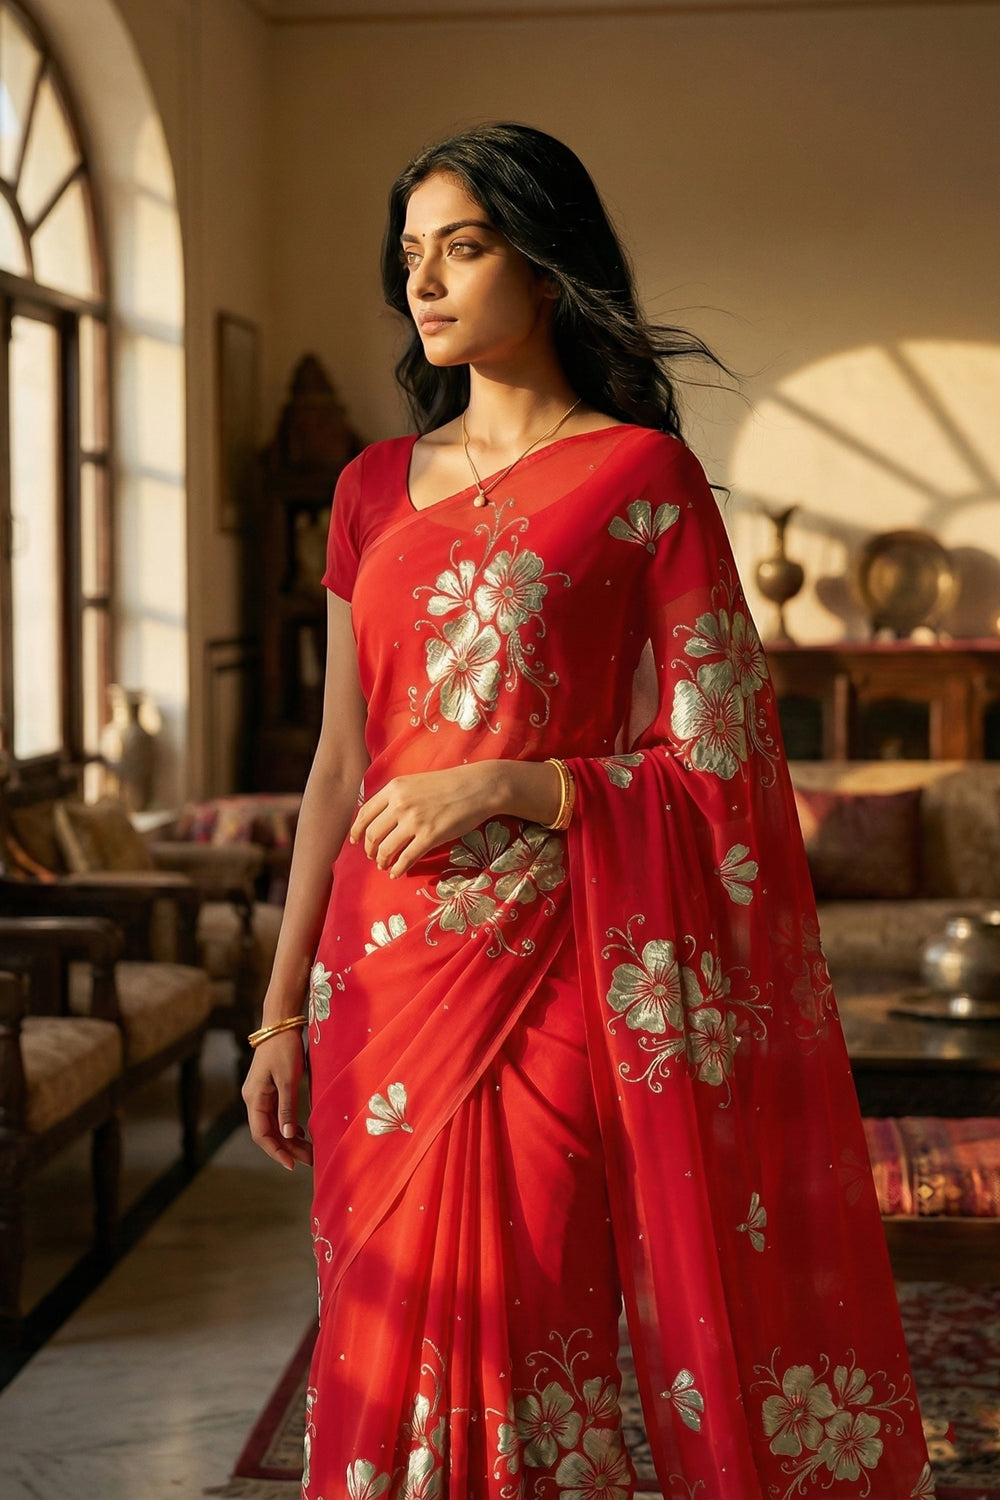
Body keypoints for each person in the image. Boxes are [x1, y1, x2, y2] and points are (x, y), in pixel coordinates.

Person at [242, 123, 932, 1500]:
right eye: (410, 257)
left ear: (544, 266)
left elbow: (726, 765)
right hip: (382, 979)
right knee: (380, 1330)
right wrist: (274, 1015)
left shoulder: (640, 480)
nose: (423, 284)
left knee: (537, 1307)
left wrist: (519, 783)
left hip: (556, 963)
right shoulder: (371, 488)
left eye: (464, 247)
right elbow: (336, 769)